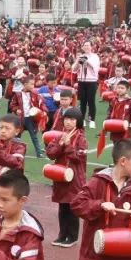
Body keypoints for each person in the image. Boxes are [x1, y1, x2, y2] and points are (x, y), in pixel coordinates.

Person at [45, 106, 86, 248]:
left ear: (78, 121)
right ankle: (62, 234)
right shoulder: (59, 136)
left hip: (74, 179)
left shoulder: (81, 138)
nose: (68, 122)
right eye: (67, 119)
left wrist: (68, 146)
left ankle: (72, 236)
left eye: (72, 119)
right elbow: (50, 153)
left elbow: (78, 158)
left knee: (72, 208)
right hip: (60, 177)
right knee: (62, 207)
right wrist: (61, 145)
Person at [76, 43, 101, 128]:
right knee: (82, 101)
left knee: (91, 101)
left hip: (92, 81)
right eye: (85, 45)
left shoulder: (95, 57)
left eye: (88, 45)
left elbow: (95, 67)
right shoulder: (81, 56)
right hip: (81, 81)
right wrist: (77, 62)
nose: (86, 47)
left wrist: (86, 60)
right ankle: (82, 119)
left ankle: (92, 120)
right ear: (82, 47)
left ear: (91, 47)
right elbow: (74, 69)